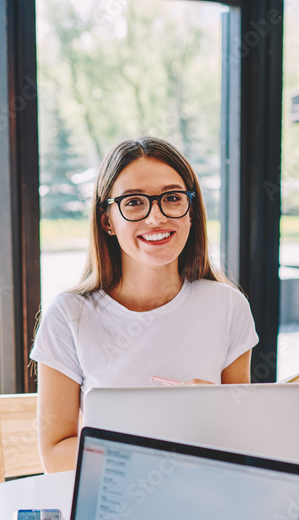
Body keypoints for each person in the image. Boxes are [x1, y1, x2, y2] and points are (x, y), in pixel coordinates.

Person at [31, 137, 259, 472]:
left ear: (191, 211)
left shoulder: (228, 307)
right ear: (107, 220)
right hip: (112, 503)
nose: (156, 218)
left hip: (200, 497)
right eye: (135, 202)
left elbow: (244, 440)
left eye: (171, 198)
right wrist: (161, 437)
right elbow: (55, 455)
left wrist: (217, 412)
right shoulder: (68, 316)